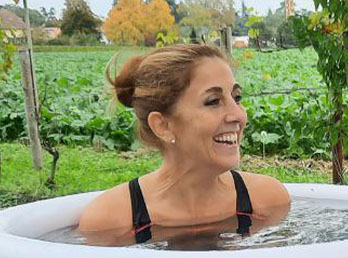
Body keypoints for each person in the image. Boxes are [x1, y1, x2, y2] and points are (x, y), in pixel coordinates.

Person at [79, 44, 290, 246]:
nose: (238, 115)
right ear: (163, 126)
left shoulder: (267, 200)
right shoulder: (111, 219)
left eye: (237, 97)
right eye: (213, 101)